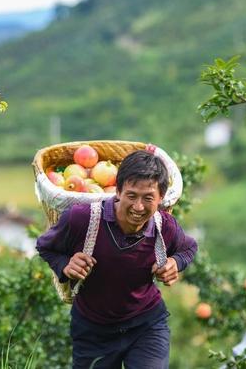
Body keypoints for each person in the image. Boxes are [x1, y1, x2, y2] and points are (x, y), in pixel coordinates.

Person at [36, 150, 198, 369]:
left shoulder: (164, 226)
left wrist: (175, 263)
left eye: (148, 198)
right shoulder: (82, 219)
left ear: (161, 198)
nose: (139, 207)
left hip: (146, 324)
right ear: (117, 191)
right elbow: (45, 246)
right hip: (93, 330)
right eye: (131, 195)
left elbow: (188, 248)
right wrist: (66, 265)